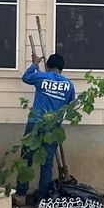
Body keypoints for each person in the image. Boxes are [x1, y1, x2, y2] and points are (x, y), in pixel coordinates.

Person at [18, 52, 76, 197]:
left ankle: (21, 194)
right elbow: (70, 107)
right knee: (47, 163)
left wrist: (35, 64)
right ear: (62, 69)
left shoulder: (42, 77)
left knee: (26, 158)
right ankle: (42, 198)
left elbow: (25, 77)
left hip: (35, 123)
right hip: (53, 128)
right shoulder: (69, 85)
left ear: (48, 66)